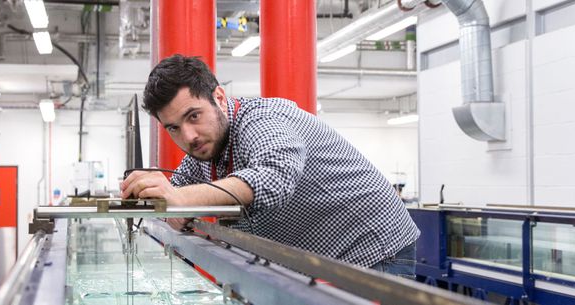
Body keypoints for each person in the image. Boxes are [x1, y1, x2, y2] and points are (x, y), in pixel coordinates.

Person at [120, 54, 419, 278]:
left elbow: (274, 177)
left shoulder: (262, 120)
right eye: (173, 128)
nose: (188, 136)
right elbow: (181, 193)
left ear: (220, 99)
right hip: (317, 262)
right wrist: (156, 196)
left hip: (374, 251)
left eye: (194, 116)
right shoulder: (205, 151)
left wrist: (181, 200)